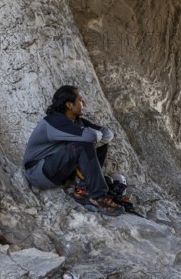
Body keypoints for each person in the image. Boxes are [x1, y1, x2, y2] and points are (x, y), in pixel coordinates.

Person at [23, 85, 124, 216]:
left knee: (97, 144)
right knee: (83, 144)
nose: (84, 104)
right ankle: (98, 197)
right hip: (38, 171)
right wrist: (92, 136)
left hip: (56, 168)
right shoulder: (55, 121)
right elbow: (92, 136)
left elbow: (107, 133)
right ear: (70, 105)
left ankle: (83, 191)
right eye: (81, 100)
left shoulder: (76, 121)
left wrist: (93, 136)